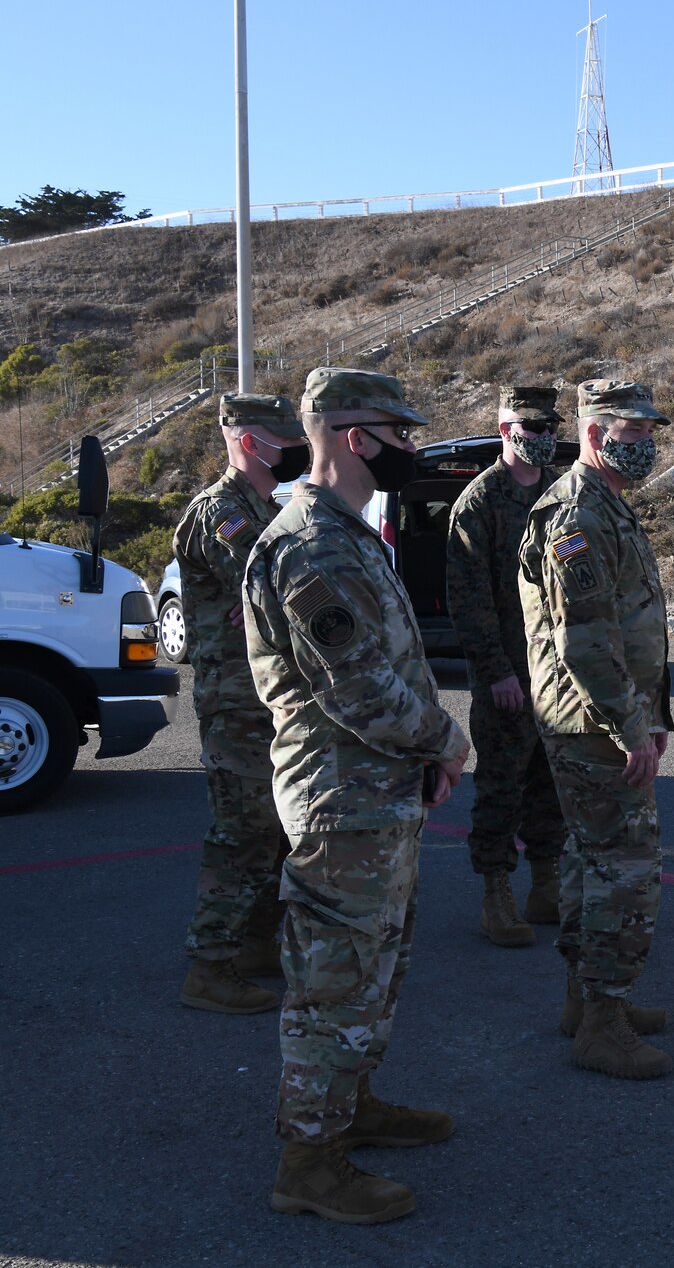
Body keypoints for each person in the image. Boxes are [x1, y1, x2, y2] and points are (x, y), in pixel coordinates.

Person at [243, 367, 471, 1224]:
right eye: (399, 434)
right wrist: (448, 741)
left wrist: (427, 758)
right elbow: (361, 689)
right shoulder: (312, 546)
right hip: (341, 803)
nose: (411, 449)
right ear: (350, 437)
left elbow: (393, 666)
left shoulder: (346, 532)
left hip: (377, 793)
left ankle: (351, 1104)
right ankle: (309, 1160)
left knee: (374, 970)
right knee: (333, 983)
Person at [518, 378, 674, 1080]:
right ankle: (604, 1021)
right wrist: (628, 726)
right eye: (631, 432)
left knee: (594, 860)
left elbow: (634, 623)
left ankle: (590, 1001)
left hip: (607, 717)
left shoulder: (607, 505)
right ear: (593, 433)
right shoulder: (576, 514)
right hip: (591, 722)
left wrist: (651, 715)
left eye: (648, 433)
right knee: (624, 868)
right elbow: (586, 639)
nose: (644, 444)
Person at [175, 393, 309, 1015]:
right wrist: (267, 600)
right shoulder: (221, 511)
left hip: (269, 694)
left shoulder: (263, 508)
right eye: (279, 436)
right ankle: (210, 965)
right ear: (244, 440)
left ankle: (254, 944)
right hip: (235, 698)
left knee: (277, 827)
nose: (293, 447)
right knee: (242, 830)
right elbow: (278, 589)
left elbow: (280, 592)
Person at [445, 385, 568, 947]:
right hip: (509, 676)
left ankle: (547, 884)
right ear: (505, 430)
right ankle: (497, 893)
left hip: (557, 672)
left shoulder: (560, 495)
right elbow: (467, 600)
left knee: (552, 782)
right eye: (532, 428)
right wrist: (496, 673)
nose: (543, 438)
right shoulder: (479, 503)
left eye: (550, 429)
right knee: (502, 786)